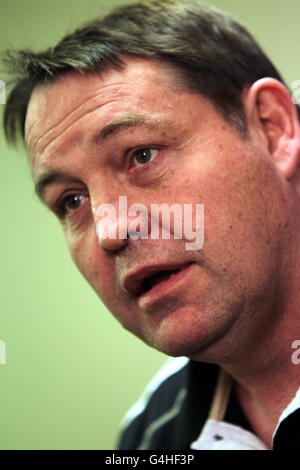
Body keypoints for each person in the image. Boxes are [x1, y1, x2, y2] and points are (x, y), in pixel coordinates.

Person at [2, 0, 300, 450]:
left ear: (271, 129)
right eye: (72, 200)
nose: (110, 231)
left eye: (142, 155)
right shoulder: (148, 437)